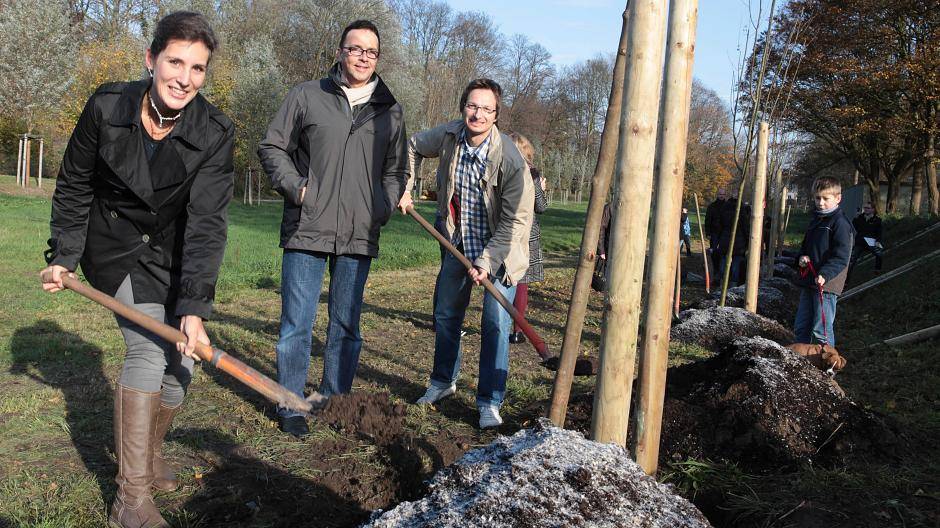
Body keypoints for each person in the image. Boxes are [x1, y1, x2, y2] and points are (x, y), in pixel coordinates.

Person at [40, 12, 233, 528]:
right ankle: (130, 499)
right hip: (115, 245)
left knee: (184, 363)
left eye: (197, 68)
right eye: (174, 61)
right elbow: (75, 185)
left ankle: (144, 455)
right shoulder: (107, 108)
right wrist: (63, 254)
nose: (184, 78)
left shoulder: (214, 132)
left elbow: (207, 223)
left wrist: (193, 308)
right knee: (148, 350)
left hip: (171, 253)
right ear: (151, 60)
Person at [258, 20, 407, 438]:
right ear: (340, 51)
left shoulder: (390, 110)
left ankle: (333, 400)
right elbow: (272, 146)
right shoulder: (307, 95)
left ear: (377, 58)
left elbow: (396, 170)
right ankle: (291, 403)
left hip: (360, 232)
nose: (363, 57)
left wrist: (383, 205)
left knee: (345, 325)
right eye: (355, 48)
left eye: (371, 52)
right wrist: (298, 190)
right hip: (308, 226)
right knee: (296, 324)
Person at [398, 79, 534, 429]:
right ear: (463, 108)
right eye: (473, 106)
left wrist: (486, 262)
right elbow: (412, 145)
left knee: (495, 323)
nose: (478, 114)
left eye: (487, 109)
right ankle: (443, 382)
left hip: (500, 254)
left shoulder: (510, 159)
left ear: (496, 114)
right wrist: (406, 186)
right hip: (456, 244)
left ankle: (490, 400)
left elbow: (515, 220)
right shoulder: (449, 136)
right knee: (446, 316)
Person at [793, 176, 854, 346]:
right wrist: (801, 258)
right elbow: (805, 247)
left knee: (821, 330)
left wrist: (824, 274)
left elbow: (841, 257)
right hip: (809, 281)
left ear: (838, 198)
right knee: (801, 326)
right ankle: (800, 362)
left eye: (826, 199)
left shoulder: (840, 224)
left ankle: (827, 368)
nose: (820, 203)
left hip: (827, 284)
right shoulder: (816, 220)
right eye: (817, 198)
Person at [507, 132, 547, 345]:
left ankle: (502, 326)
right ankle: (515, 331)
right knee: (521, 284)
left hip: (502, 228)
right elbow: (541, 206)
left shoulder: (500, 168)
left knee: (505, 280)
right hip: (526, 232)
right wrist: (542, 190)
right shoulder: (531, 173)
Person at [851, 202, 883, 272]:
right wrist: (855, 218)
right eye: (865, 208)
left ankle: (877, 270)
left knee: (879, 253)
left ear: (873, 209)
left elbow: (879, 233)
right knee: (851, 260)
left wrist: (878, 241)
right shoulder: (859, 217)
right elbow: (853, 228)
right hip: (860, 242)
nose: (866, 209)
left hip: (871, 242)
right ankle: (846, 281)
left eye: (868, 208)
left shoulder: (877, 220)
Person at [704, 187, 729, 274]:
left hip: (725, 233)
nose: (721, 196)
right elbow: (707, 220)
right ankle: (715, 270)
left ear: (725, 195)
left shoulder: (727, 206)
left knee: (723, 252)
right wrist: (708, 232)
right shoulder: (712, 206)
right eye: (720, 194)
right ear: (717, 195)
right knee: (713, 251)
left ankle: (722, 272)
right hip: (714, 233)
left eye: (723, 194)